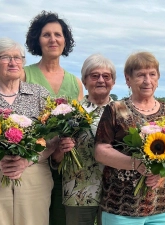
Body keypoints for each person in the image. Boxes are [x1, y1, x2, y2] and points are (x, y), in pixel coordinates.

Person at [94, 52, 165, 225]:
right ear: (128, 79)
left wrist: (162, 172)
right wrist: (136, 164)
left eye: (152, 74)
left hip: (163, 206)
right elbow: (101, 151)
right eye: (140, 75)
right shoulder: (115, 110)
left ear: (158, 77)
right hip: (122, 206)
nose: (147, 80)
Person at [0, 37, 60, 225]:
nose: (13, 62)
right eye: (5, 57)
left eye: (18, 57)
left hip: (34, 177)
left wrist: (26, 160)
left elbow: (53, 137)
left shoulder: (39, 94)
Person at [22, 10, 84, 225]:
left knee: (60, 218)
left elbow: (79, 124)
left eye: (58, 34)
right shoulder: (24, 75)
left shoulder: (75, 83)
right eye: (46, 34)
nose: (52, 39)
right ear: (37, 40)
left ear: (65, 40)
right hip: (31, 163)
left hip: (65, 163)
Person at [50, 54, 116, 225]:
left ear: (113, 82)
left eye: (106, 76)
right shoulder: (70, 113)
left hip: (115, 195)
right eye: (94, 76)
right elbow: (55, 160)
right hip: (78, 193)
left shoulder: (122, 113)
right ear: (85, 81)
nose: (101, 80)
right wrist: (62, 150)